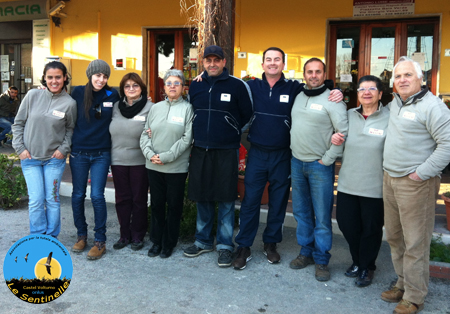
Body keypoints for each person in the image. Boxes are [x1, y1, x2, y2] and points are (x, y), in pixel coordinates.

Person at [233, 47, 343, 270]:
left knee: (278, 202)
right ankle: (243, 246)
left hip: (284, 155)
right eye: (268, 60)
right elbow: (226, 83)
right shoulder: (251, 86)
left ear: (283, 64)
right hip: (257, 153)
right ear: (262, 64)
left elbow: (317, 86)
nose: (273, 63)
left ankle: (271, 243)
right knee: (250, 201)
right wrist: (203, 76)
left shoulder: (295, 88)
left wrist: (335, 89)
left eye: (277, 60)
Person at [381, 56, 450, 314]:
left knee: (415, 243)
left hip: (415, 184)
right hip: (390, 179)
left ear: (421, 78)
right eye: (397, 76)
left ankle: (415, 296)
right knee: (395, 237)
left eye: (408, 75)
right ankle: (402, 283)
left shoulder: (433, 107)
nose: (402, 80)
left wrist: (422, 173)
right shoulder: (395, 103)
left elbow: (448, 145)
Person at [183, 45, 253, 267]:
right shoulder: (196, 86)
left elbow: (248, 115)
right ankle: (203, 241)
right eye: (208, 60)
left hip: (226, 149)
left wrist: (230, 131)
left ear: (224, 62)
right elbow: (189, 112)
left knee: (225, 197)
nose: (212, 64)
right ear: (202, 63)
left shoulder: (237, 85)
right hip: (200, 148)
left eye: (217, 60)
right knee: (202, 195)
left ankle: (224, 245)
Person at [289, 57, 348, 282]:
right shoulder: (298, 96)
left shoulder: (333, 100)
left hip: (319, 166)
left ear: (324, 75)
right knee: (301, 212)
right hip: (296, 162)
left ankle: (322, 258)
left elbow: (343, 132)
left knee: (322, 215)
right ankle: (306, 252)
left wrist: (328, 159)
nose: (313, 75)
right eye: (309, 71)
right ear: (304, 74)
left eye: (318, 72)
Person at [332, 75, 389, 287]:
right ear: (357, 94)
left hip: (375, 186)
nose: (366, 92)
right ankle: (357, 260)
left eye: (372, 89)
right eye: (362, 89)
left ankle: (367, 266)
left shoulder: (390, 118)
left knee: (371, 230)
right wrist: (335, 138)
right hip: (348, 183)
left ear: (380, 94)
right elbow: (338, 134)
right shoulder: (348, 115)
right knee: (348, 226)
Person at [11, 61, 76, 238]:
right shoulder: (32, 96)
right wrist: (20, 149)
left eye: (58, 77)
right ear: (44, 78)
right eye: (50, 77)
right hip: (30, 159)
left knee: (52, 199)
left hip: (54, 160)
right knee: (36, 200)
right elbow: (18, 124)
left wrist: (63, 149)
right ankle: (38, 236)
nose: (54, 81)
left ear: (64, 78)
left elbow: (70, 129)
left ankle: (51, 237)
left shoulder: (69, 103)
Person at [140, 69, 193, 259]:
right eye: (169, 83)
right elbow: (145, 133)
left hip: (175, 168)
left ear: (182, 87)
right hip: (153, 165)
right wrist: (149, 154)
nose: (172, 86)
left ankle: (169, 243)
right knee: (156, 205)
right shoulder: (155, 108)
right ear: (164, 86)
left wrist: (167, 156)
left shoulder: (188, 109)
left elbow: (187, 139)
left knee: (174, 206)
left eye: (176, 83)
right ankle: (156, 241)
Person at [70, 59, 119, 260]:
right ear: (90, 75)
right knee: (78, 194)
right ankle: (82, 236)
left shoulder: (112, 94)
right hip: (79, 152)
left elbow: (126, 109)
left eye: (105, 76)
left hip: (101, 152)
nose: (101, 79)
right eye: (98, 75)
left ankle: (100, 241)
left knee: (97, 196)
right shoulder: (78, 93)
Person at [109, 73, 152, 251]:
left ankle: (137, 235)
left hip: (140, 161)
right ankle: (124, 235)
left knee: (139, 199)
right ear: (122, 90)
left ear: (141, 88)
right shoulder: (115, 107)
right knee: (122, 199)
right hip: (117, 159)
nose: (131, 89)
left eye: (135, 85)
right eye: (127, 86)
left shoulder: (151, 107)